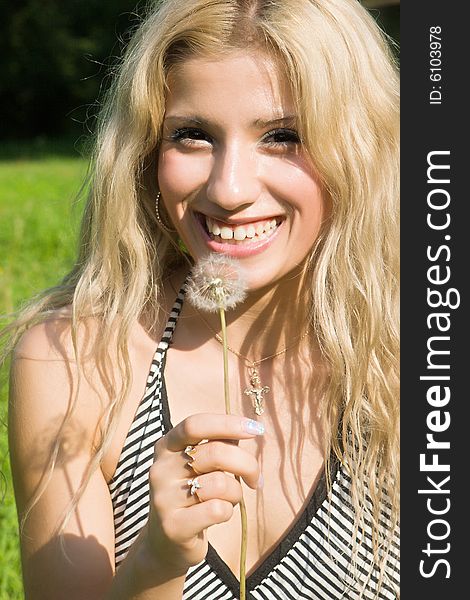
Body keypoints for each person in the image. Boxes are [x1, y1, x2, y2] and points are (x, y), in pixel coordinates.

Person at [3, 0, 400, 598]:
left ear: (362, 149)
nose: (228, 188)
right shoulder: (72, 366)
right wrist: (157, 561)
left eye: (283, 136)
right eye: (193, 136)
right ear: (144, 154)